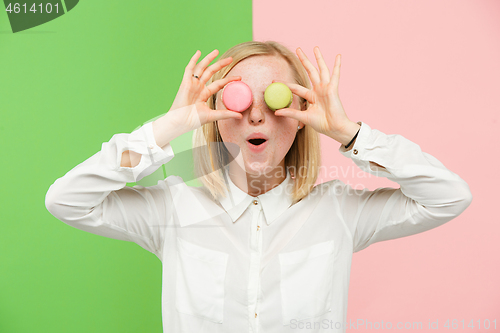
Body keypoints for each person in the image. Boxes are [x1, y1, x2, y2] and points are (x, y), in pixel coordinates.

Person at [45, 41, 472, 333]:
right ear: (215, 112)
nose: (256, 115)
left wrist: (349, 132)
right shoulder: (173, 209)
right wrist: (169, 126)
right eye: (239, 98)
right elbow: (67, 201)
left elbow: (449, 196)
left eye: (276, 99)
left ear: (302, 115)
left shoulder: (339, 212)